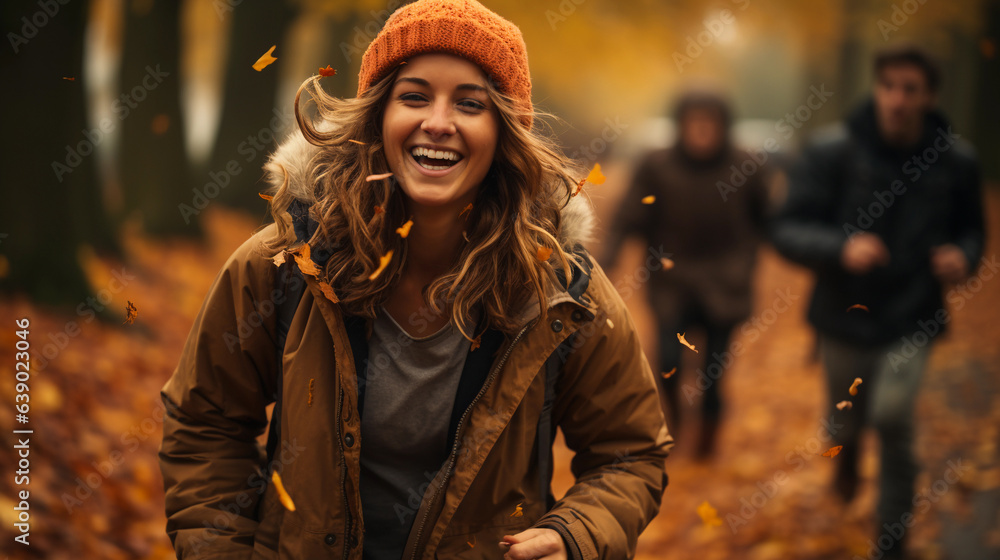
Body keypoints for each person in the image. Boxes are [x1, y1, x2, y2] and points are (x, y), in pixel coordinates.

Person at [157, 1, 673, 558]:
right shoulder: (283, 265)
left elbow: (631, 453)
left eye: (470, 103)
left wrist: (576, 533)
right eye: (414, 96)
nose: (438, 122)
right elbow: (204, 425)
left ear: (504, 133)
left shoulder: (561, 289)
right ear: (378, 115)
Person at [771, 44, 984, 559]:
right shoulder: (831, 151)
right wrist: (841, 246)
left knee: (892, 418)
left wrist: (963, 255)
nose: (897, 99)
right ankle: (845, 459)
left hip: (913, 314)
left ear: (930, 97)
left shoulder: (956, 161)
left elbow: (973, 230)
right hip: (842, 316)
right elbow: (785, 228)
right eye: (889, 87)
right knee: (843, 425)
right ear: (876, 89)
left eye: (911, 90)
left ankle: (892, 541)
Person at [603, 89, 771, 458]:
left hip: (726, 284)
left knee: (713, 373)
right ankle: (675, 422)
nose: (701, 131)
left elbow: (771, 221)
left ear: (724, 126)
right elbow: (628, 216)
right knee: (669, 360)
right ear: (680, 125)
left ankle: (707, 442)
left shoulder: (746, 166)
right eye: (694, 122)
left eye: (709, 123)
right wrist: (607, 259)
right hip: (672, 283)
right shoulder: (656, 165)